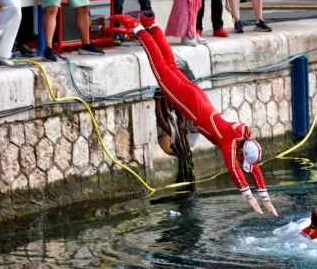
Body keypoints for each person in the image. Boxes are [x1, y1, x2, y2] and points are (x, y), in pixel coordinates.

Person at [109, 11, 279, 217]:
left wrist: (265, 197)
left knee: (170, 65)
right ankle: (138, 27)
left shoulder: (243, 136)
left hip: (199, 99)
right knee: (161, 69)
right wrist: (249, 197)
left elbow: (254, 168)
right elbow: (233, 169)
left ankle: (152, 25)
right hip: (192, 105)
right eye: (241, 157)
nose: (240, 159)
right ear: (242, 151)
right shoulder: (229, 141)